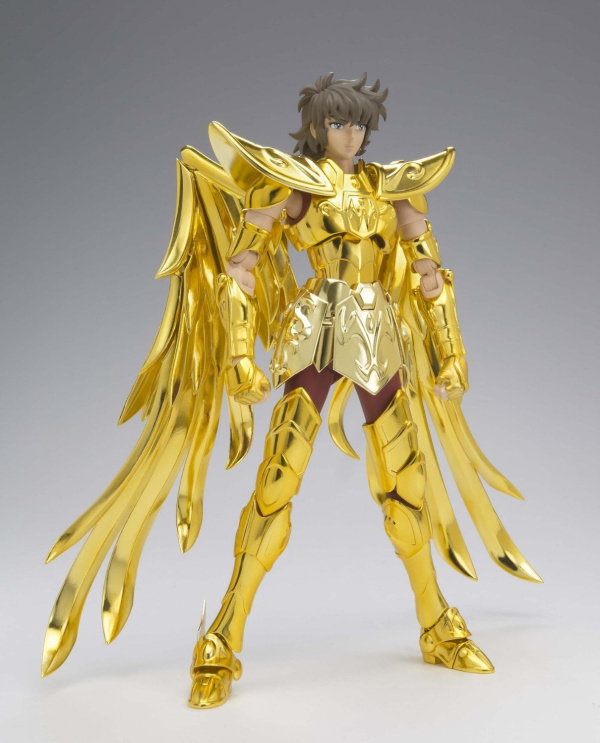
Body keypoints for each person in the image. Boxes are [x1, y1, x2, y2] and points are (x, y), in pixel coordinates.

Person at [43, 73, 540, 709]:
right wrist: (238, 356)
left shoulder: (389, 188)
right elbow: (240, 270)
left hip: (377, 333)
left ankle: (437, 623)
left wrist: (451, 355)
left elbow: (428, 274)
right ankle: (221, 639)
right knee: (276, 482)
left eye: (359, 124)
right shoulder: (294, 185)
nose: (351, 134)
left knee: (410, 487)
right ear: (316, 127)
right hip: (318, 330)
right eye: (338, 123)